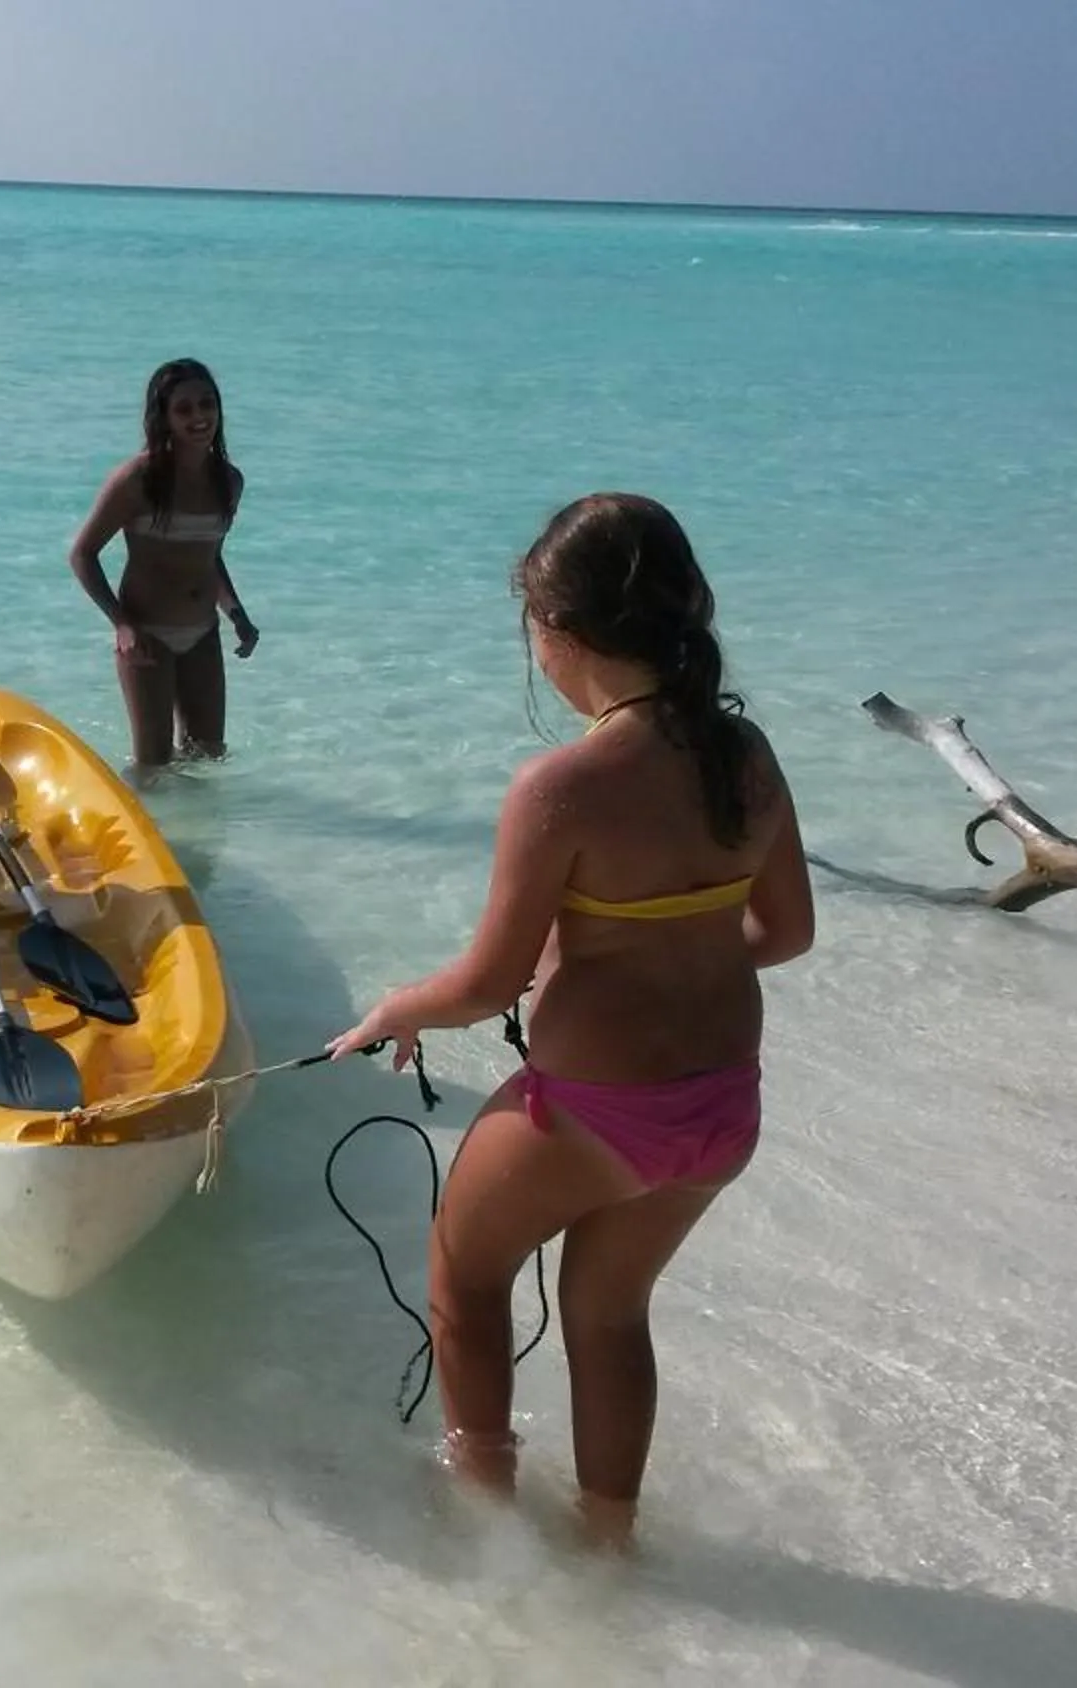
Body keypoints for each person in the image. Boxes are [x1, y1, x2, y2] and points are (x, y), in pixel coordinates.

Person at [328, 493, 815, 1545]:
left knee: (465, 1263)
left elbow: (487, 981)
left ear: (565, 636)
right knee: (608, 1310)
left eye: (533, 627)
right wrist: (666, 952)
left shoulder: (562, 784)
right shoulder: (748, 755)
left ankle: (485, 1521)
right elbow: (785, 931)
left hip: (597, 1111)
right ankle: (606, 1543)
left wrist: (394, 1009)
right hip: (724, 1108)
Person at [64, 358, 260, 777]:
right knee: (153, 768)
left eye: (207, 404)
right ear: (164, 416)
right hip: (148, 637)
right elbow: (82, 554)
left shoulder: (229, 481)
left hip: (203, 634)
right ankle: (142, 838)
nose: (199, 417)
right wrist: (121, 624)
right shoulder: (138, 479)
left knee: (207, 761)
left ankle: (198, 842)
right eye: (184, 409)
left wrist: (238, 614)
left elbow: (210, 557)